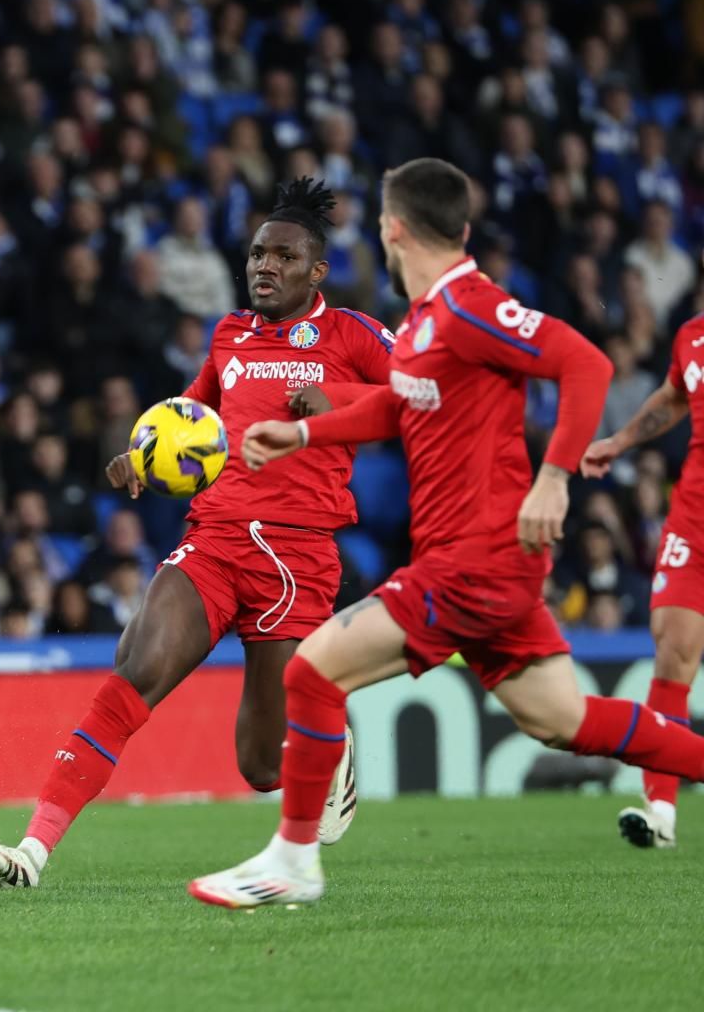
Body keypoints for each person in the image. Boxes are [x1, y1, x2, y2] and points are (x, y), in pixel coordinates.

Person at [184, 158, 704, 908]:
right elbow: (400, 407)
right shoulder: (425, 321)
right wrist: (307, 436)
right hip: (485, 568)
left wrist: (553, 477)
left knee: (312, 671)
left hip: (474, 562)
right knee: (563, 720)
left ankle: (292, 863)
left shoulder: (470, 308)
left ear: (395, 231)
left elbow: (584, 363)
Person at [0, 179, 393, 888]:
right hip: (217, 538)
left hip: (297, 558)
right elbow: (192, 414)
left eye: (283, 257)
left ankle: (334, 740)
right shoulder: (229, 335)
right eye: (258, 253)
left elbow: (420, 393)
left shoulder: (352, 336)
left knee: (259, 767)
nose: (264, 266)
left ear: (317, 271)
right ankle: (32, 851)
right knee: (136, 668)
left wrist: (337, 401)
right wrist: (141, 454)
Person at [580, 301, 704, 848]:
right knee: (672, 649)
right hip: (694, 518)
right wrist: (621, 441)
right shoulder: (692, 336)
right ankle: (661, 813)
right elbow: (675, 396)